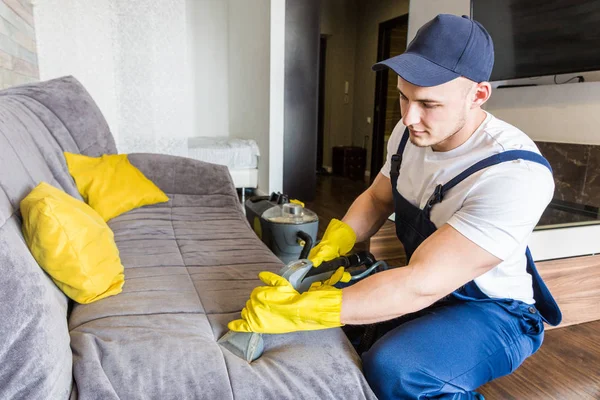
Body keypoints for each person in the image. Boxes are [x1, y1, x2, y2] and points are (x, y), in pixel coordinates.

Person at [228, 14, 562, 399]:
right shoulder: (408, 133)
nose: (409, 117)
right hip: (427, 286)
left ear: (479, 94)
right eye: (404, 96)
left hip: (495, 313)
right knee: (347, 338)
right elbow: (377, 197)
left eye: (429, 104)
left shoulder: (514, 173)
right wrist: (335, 242)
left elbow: (421, 283)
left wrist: (301, 312)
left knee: (397, 371)